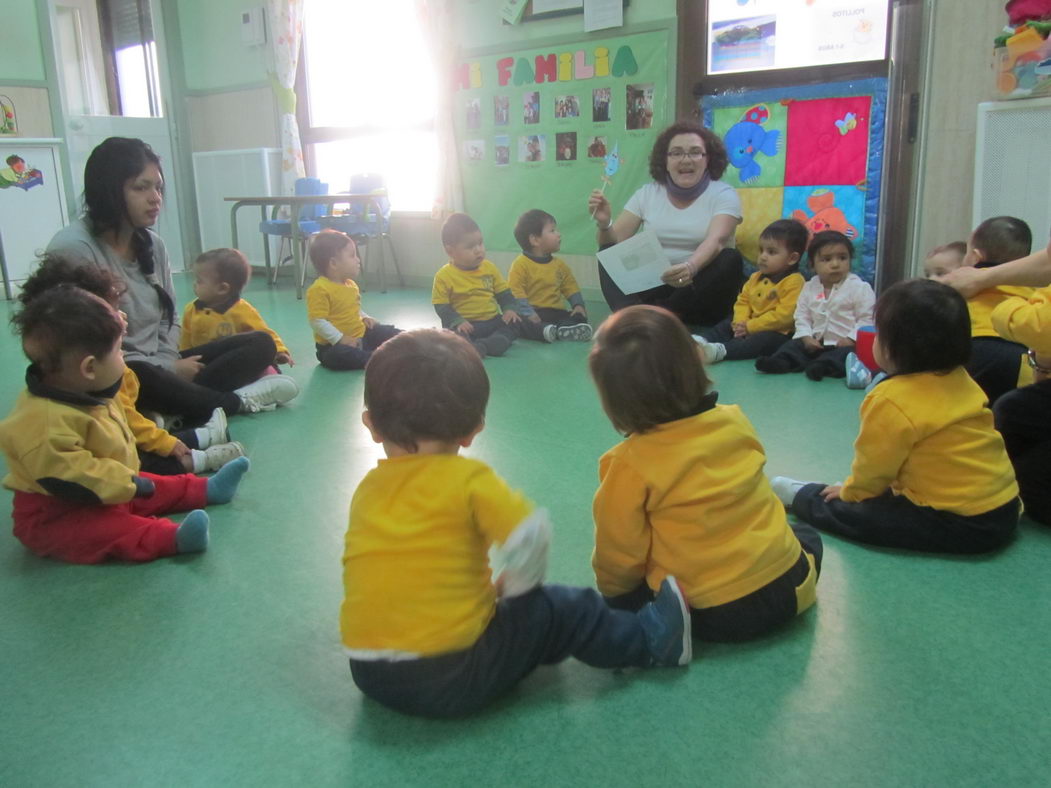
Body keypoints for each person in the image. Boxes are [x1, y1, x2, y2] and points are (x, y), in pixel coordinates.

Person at [340, 329, 692, 718]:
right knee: (561, 608)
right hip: (453, 675)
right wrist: (519, 586)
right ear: (474, 430)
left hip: (370, 673)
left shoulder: (367, 490)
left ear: (371, 425)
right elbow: (530, 537)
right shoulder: (469, 481)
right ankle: (651, 642)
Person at [588, 305, 820, 642]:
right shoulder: (735, 419)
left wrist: (615, 595)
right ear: (695, 364)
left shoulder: (627, 463)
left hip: (715, 612)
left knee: (623, 596)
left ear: (614, 401)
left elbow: (619, 555)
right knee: (806, 535)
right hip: (793, 585)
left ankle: (656, 630)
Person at [46, 137, 298, 424]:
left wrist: (170, 363)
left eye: (158, 187)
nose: (155, 198)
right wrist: (167, 368)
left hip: (161, 364)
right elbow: (88, 348)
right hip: (117, 371)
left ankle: (170, 409)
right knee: (142, 375)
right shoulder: (75, 249)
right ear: (108, 191)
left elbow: (170, 317)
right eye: (141, 187)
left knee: (261, 343)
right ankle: (235, 402)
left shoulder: (153, 244)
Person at [0, 286, 251, 564]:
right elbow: (73, 476)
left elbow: (130, 423)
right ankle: (171, 538)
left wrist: (133, 478)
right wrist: (129, 484)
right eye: (120, 352)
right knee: (109, 530)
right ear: (90, 368)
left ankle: (206, 489)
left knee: (158, 486)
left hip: (111, 485)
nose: (124, 359)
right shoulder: (42, 423)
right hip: (57, 513)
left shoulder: (89, 389)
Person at [772, 279, 1021, 554]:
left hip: (963, 522)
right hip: (1006, 507)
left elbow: (875, 464)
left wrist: (851, 494)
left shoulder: (890, 398)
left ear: (892, 348)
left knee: (862, 518)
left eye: (879, 334)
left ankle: (804, 497)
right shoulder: (962, 378)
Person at [18, 255, 245, 476]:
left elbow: (129, 423)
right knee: (139, 460)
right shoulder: (84, 393)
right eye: (113, 312)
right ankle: (199, 457)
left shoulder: (85, 377)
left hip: (128, 441)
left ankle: (205, 435)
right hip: (117, 470)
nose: (123, 317)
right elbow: (115, 455)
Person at [587, 121, 744, 327]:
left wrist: (691, 267)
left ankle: (649, 320)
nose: (685, 159)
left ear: (708, 159)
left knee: (730, 259)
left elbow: (716, 241)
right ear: (665, 160)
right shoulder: (648, 193)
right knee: (607, 251)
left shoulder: (723, 194)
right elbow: (614, 241)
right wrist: (605, 224)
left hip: (699, 292)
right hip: (656, 285)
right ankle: (631, 317)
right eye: (676, 153)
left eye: (695, 152)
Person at [755, 231, 875, 381]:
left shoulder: (860, 288)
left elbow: (867, 319)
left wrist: (851, 339)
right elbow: (802, 316)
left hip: (843, 344)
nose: (835, 264)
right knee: (792, 346)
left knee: (846, 356)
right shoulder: (809, 287)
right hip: (814, 343)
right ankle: (781, 362)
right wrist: (806, 337)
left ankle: (823, 367)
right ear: (812, 265)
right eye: (826, 259)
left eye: (843, 258)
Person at [693, 218, 807, 363]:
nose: (763, 257)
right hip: (747, 323)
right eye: (761, 250)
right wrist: (740, 322)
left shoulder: (795, 281)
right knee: (727, 322)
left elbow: (785, 316)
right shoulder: (755, 277)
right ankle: (700, 340)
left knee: (763, 341)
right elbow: (743, 301)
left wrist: (750, 326)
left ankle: (721, 350)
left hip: (776, 331)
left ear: (792, 258)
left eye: (771, 252)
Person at [961, 216, 1034, 405]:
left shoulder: (966, 281)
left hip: (979, 345)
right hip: (1023, 355)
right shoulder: (1033, 284)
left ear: (976, 257)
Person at [306, 230, 402, 371]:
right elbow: (317, 321)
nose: (358, 260)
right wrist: (339, 338)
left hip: (360, 335)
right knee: (339, 355)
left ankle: (407, 340)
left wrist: (365, 317)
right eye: (352, 256)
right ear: (333, 263)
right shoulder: (320, 288)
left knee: (382, 330)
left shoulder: (350, 285)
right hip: (332, 346)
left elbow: (353, 307)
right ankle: (376, 358)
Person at [181, 248, 293, 367]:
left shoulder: (242, 310)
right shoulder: (191, 310)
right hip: (202, 362)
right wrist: (182, 359)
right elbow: (185, 340)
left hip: (232, 362)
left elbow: (264, 333)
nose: (194, 284)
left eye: (199, 281)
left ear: (222, 289)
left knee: (264, 365)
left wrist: (279, 351)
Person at [432, 212, 520, 358]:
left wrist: (509, 309)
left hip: (492, 321)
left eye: (480, 243)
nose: (479, 250)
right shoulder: (443, 276)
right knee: (453, 336)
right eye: (470, 247)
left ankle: (489, 344)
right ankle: (474, 347)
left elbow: (504, 293)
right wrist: (458, 321)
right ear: (450, 251)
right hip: (466, 325)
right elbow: (441, 306)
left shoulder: (489, 268)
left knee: (515, 322)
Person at [508, 209, 593, 343]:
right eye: (552, 231)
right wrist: (529, 313)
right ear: (535, 240)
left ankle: (561, 329)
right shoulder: (520, 265)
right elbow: (516, 292)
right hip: (534, 313)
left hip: (555, 312)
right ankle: (546, 331)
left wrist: (578, 305)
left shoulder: (559, 265)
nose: (558, 235)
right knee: (516, 322)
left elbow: (570, 286)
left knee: (578, 316)